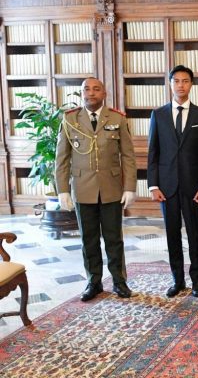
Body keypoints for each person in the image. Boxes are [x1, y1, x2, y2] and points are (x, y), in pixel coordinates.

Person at [55, 77, 137, 301]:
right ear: (81, 93)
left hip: (111, 189)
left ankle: (119, 281)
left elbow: (128, 156)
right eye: (86, 89)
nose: (91, 93)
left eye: (96, 89)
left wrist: (130, 187)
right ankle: (94, 281)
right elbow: (62, 159)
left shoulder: (117, 118)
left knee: (114, 239)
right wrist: (63, 190)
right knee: (88, 239)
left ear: (104, 93)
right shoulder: (70, 119)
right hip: (83, 189)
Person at [147, 65, 198, 298]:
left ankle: (197, 281)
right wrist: (153, 185)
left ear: (191, 84)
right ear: (170, 84)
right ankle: (178, 280)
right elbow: (153, 153)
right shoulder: (158, 115)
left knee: (195, 234)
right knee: (172, 235)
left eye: (185, 81)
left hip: (194, 188)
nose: (181, 85)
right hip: (167, 188)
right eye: (176, 81)